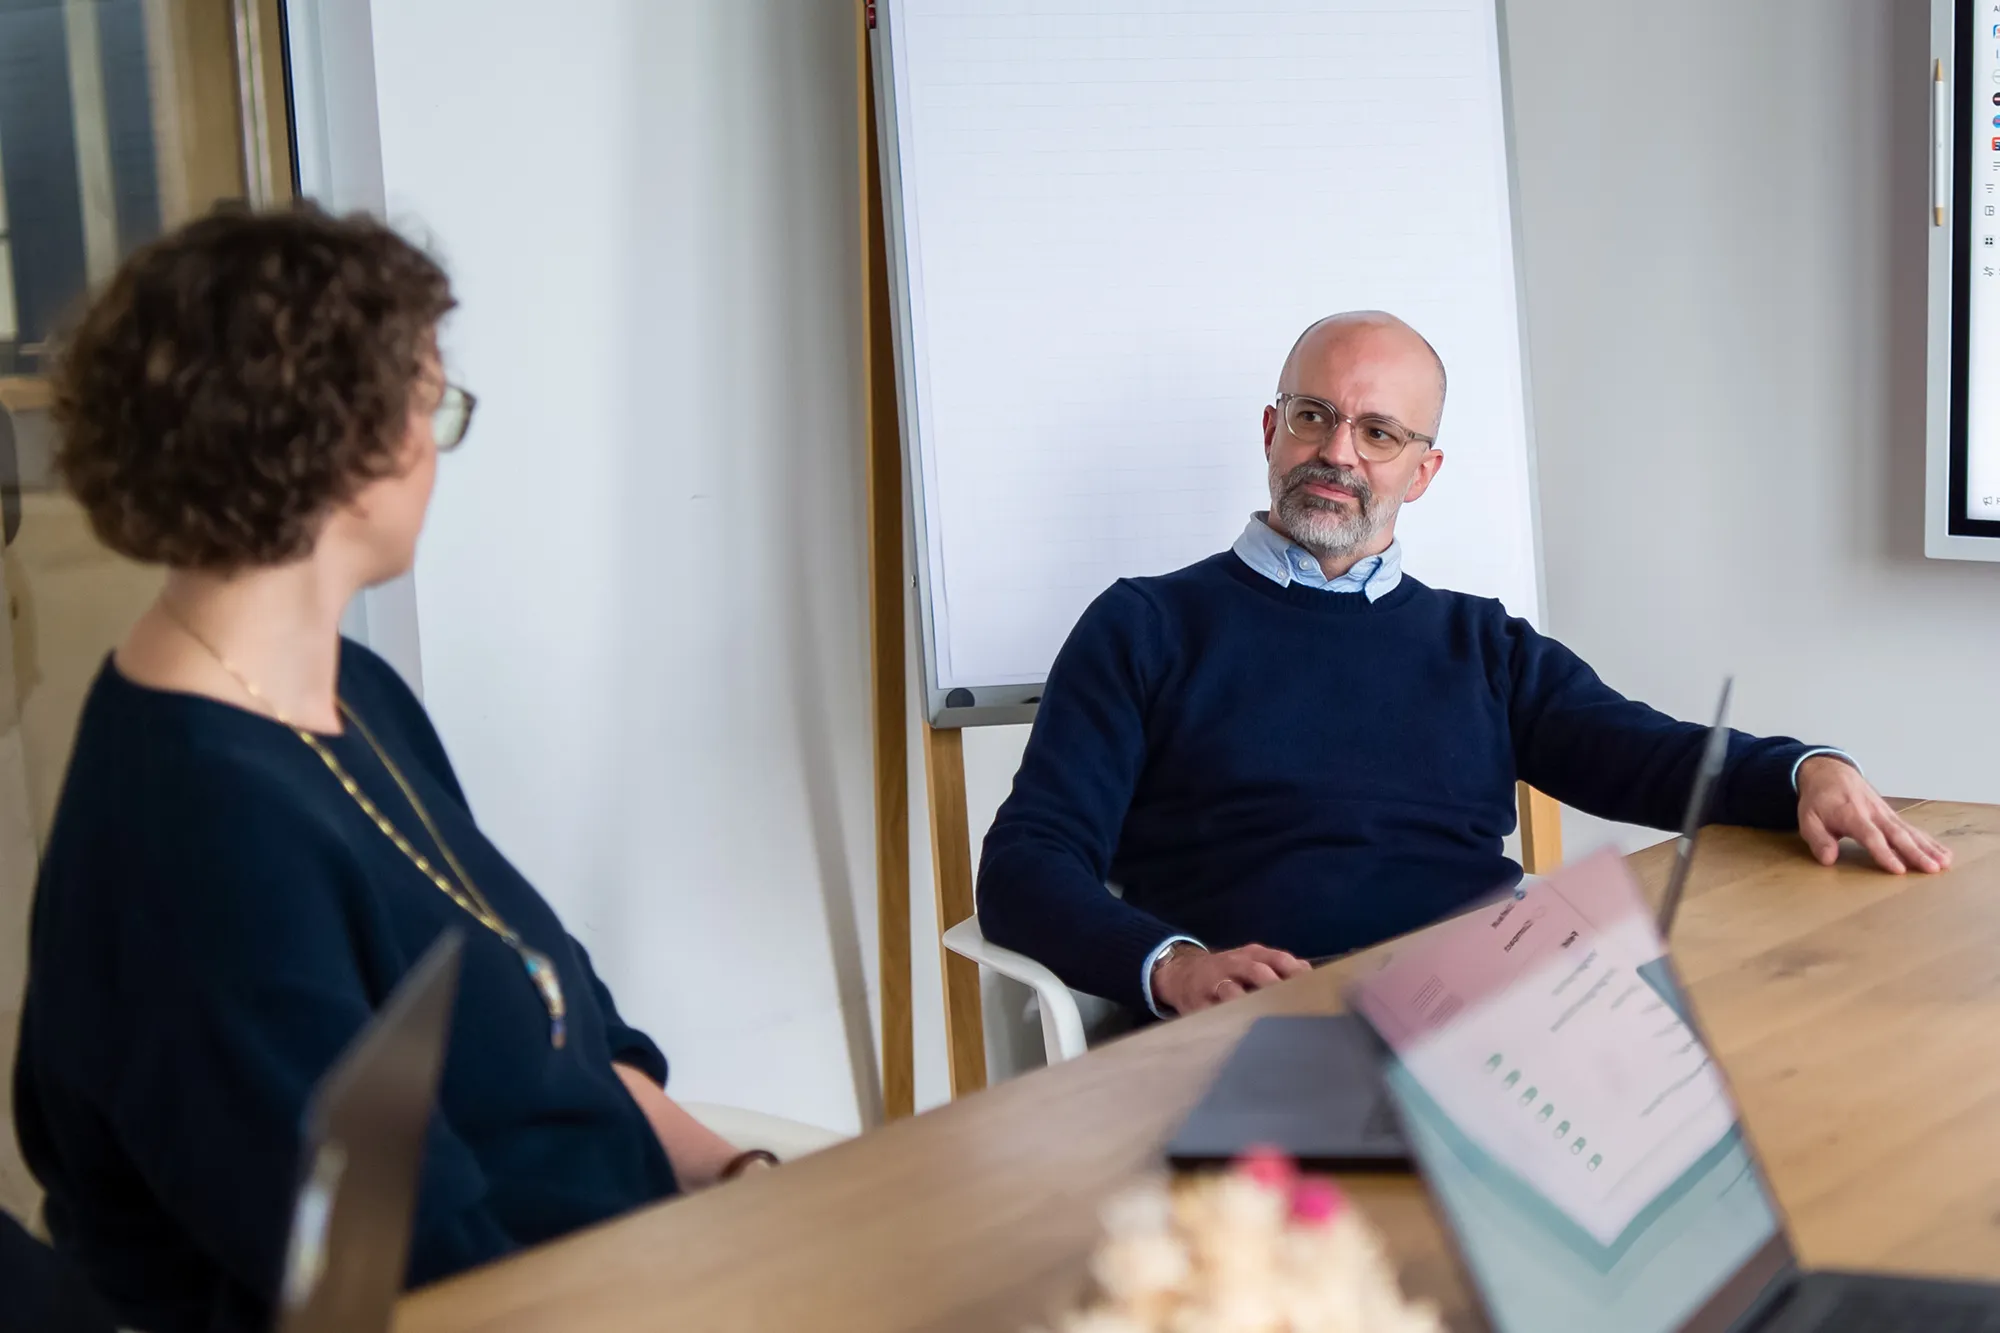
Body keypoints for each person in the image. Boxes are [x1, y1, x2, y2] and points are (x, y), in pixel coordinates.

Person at [12, 205, 766, 1333]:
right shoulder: (196, 837)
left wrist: (739, 1175)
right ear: (345, 449)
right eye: (430, 403)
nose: (433, 443)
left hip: (658, 1256)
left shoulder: (350, 696)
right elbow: (403, 1278)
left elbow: (556, 1016)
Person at [976, 311, 1951, 1022]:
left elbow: (1644, 754)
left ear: (1421, 470)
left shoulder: (1480, 644)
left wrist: (1800, 770)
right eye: (1312, 416)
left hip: (1493, 1020)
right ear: (1270, 431)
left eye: (1377, 432)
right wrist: (1174, 965)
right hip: (1266, 1023)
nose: (1337, 453)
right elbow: (1026, 866)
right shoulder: (1144, 625)